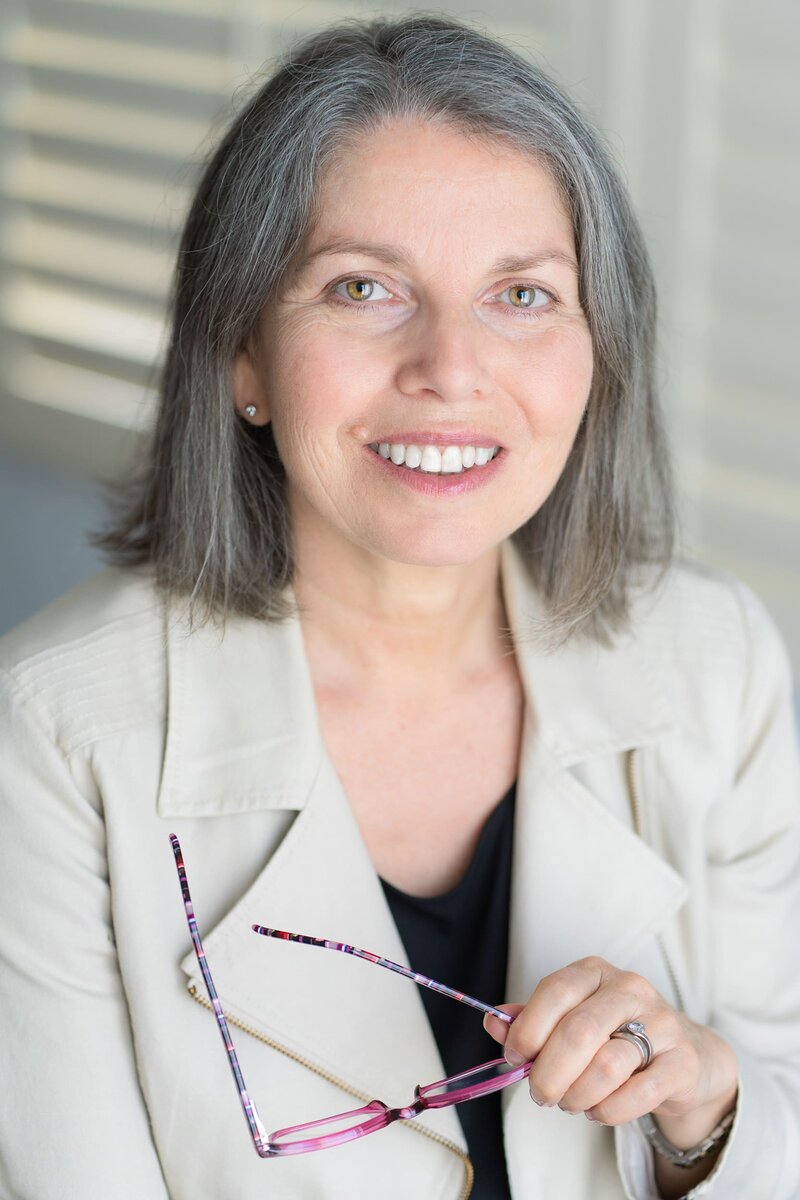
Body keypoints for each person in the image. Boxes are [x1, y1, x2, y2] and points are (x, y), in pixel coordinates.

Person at [0, 13, 798, 1200]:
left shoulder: (715, 659)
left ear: (598, 350)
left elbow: (774, 1106)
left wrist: (703, 1111)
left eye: (520, 295)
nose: (451, 367)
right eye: (362, 286)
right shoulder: (53, 730)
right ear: (244, 353)